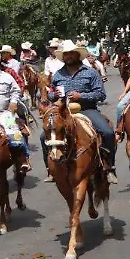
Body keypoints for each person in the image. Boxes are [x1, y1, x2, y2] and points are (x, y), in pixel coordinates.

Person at [50, 40, 118, 184]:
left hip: (87, 109)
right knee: (46, 135)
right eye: (66, 54)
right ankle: (51, 169)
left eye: (71, 54)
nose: (68, 56)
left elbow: (101, 94)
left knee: (107, 132)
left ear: (77, 55)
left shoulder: (90, 72)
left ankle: (109, 166)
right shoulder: (57, 75)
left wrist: (81, 96)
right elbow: (50, 94)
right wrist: (54, 95)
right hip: (64, 111)